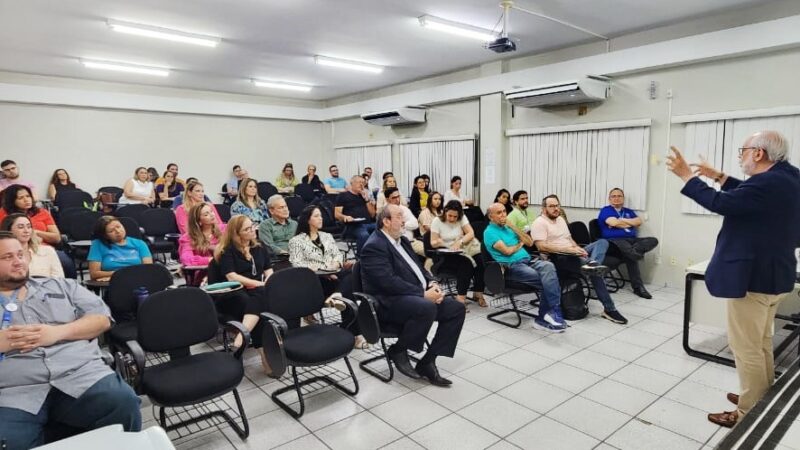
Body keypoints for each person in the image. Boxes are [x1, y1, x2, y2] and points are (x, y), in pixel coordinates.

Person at [666, 130, 800, 428]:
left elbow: (724, 204)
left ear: (759, 154)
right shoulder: (789, 178)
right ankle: (761, 396)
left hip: (753, 280)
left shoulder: (766, 183)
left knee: (746, 348)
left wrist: (688, 177)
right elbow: (748, 198)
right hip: (776, 275)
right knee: (761, 343)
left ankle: (748, 412)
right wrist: (720, 177)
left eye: (743, 150)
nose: (741, 156)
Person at [0, 235, 141, 449]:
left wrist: (57, 333)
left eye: (20, 254)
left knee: (122, 402)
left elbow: (102, 319)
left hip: (78, 373)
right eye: (7, 257)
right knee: (9, 440)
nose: (18, 261)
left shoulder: (61, 286)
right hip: (14, 391)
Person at [360, 205, 466, 386]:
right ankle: (399, 350)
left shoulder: (402, 241)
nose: (405, 221)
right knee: (426, 307)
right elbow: (388, 282)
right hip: (387, 302)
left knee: (456, 308)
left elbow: (418, 268)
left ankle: (428, 361)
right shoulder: (374, 246)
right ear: (386, 222)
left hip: (411, 296)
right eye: (400, 217)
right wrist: (423, 294)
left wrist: (432, 283)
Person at [531, 195, 628, 325]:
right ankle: (609, 309)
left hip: (573, 253)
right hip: (558, 258)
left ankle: (592, 263)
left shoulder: (560, 219)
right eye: (552, 206)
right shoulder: (539, 222)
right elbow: (541, 246)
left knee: (602, 242)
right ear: (544, 209)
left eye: (557, 205)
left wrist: (579, 249)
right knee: (595, 272)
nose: (555, 208)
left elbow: (569, 239)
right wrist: (570, 250)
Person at [288, 205, 366, 348]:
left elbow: (337, 255)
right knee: (348, 288)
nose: (321, 218)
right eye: (316, 216)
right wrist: (324, 271)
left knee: (351, 275)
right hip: (314, 281)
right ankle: (354, 333)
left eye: (321, 215)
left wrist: (336, 264)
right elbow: (298, 264)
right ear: (307, 220)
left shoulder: (327, 236)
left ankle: (337, 295)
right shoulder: (296, 241)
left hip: (334, 276)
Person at [484, 203, 566, 332]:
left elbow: (529, 242)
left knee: (549, 266)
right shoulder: (489, 232)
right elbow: (507, 252)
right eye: (499, 213)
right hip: (512, 267)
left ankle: (549, 313)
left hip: (529, 261)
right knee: (547, 281)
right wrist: (519, 245)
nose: (503, 215)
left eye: (504, 211)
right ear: (491, 216)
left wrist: (513, 226)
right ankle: (548, 315)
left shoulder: (509, 227)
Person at [214, 215, 274, 374]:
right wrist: (259, 284)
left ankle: (243, 332)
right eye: (247, 229)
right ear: (236, 233)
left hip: (256, 292)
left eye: (252, 226)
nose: (253, 230)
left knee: (260, 301)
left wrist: (268, 281)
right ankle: (265, 357)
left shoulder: (259, 248)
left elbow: (269, 270)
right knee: (259, 300)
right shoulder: (229, 251)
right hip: (234, 293)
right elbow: (231, 276)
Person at [597, 188, 659, 299]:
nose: (616, 198)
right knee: (630, 254)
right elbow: (613, 222)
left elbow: (639, 221)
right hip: (613, 242)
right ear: (609, 199)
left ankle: (633, 253)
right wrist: (629, 223)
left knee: (653, 240)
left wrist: (621, 221)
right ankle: (638, 288)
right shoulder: (606, 210)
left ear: (623, 198)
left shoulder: (628, 211)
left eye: (619, 196)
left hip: (631, 240)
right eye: (613, 196)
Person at [429, 200, 485, 308]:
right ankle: (461, 298)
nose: (452, 219)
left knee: (480, 260)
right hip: (445, 254)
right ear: (445, 211)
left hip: (461, 248)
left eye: (455, 217)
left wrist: (460, 242)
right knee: (466, 264)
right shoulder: (437, 221)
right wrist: (441, 242)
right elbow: (433, 243)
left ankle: (478, 293)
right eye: (450, 215)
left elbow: (471, 233)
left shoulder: (462, 217)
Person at [87, 216, 153, 281]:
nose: (118, 231)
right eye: (111, 231)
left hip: (137, 280)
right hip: (113, 283)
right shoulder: (97, 244)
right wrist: (117, 275)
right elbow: (94, 274)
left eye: (119, 227)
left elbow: (148, 269)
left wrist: (120, 275)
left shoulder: (139, 243)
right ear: (105, 236)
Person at [334, 175, 376, 256]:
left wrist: (367, 199)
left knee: (384, 228)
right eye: (359, 182)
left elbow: (373, 214)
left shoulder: (364, 196)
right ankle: (361, 257)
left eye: (363, 183)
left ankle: (380, 254)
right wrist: (345, 217)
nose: (361, 185)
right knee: (364, 234)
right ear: (352, 183)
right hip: (353, 226)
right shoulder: (343, 196)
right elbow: (336, 214)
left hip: (368, 224)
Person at [178, 203, 225, 267]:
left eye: (211, 211)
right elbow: (186, 259)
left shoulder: (224, 229)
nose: (212, 215)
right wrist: (210, 260)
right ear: (198, 221)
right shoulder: (188, 237)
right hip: (203, 270)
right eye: (206, 214)